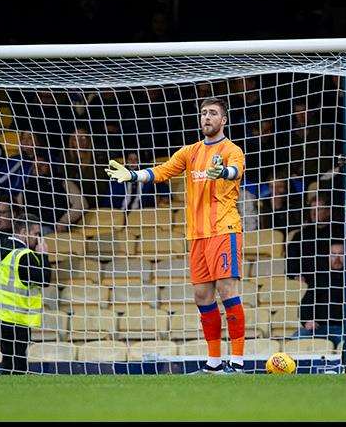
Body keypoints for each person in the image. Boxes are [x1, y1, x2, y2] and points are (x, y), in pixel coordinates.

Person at [105, 97, 247, 374]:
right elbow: (162, 171)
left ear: (223, 120)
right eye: (204, 113)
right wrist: (133, 176)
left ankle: (238, 362)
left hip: (224, 229)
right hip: (196, 235)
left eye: (213, 113)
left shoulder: (232, 150)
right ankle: (214, 363)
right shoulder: (190, 152)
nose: (207, 117)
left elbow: (236, 171)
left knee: (227, 291)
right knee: (202, 295)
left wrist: (224, 171)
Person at [0, 216, 51, 374]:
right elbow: (44, 279)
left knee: (8, 358)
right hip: (15, 317)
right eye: (36, 234)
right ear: (23, 232)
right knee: (17, 362)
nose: (38, 239)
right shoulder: (24, 255)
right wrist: (43, 255)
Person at [291, 242, 346, 348]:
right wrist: (308, 321)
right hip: (320, 329)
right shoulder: (319, 278)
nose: (337, 258)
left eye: (341, 254)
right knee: (298, 336)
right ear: (328, 257)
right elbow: (306, 303)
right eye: (333, 254)